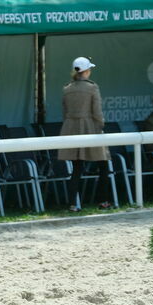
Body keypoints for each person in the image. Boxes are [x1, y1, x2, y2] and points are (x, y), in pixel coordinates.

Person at [58, 57, 112, 212]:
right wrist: (101, 124)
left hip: (70, 128)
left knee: (76, 168)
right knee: (103, 164)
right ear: (86, 71)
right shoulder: (92, 88)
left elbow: (64, 112)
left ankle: (73, 204)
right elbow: (97, 111)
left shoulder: (67, 88)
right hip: (90, 127)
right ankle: (103, 201)